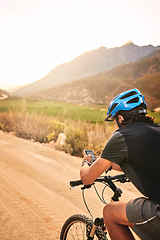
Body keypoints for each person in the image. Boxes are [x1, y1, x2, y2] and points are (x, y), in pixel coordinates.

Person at [80, 88, 160, 240]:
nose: (115, 125)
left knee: (110, 212)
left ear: (121, 118)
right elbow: (143, 162)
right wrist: (102, 163)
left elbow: (87, 179)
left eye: (115, 119)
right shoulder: (156, 130)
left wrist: (86, 162)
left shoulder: (122, 135)